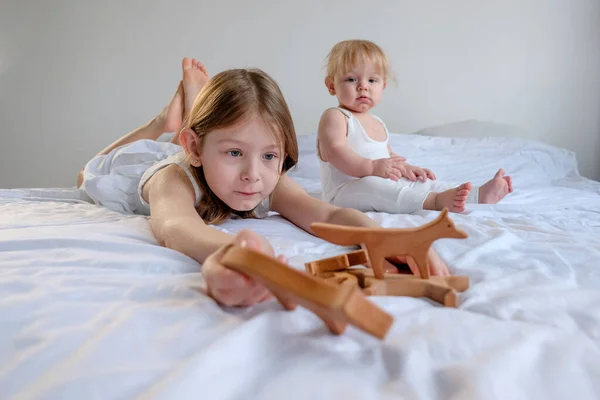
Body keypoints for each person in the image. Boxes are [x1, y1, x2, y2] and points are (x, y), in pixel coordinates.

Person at [77, 57, 451, 308]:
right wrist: (227, 254)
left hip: (194, 144)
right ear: (196, 149)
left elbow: (326, 213)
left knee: (220, 146)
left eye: (269, 156)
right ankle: (162, 122)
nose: (252, 175)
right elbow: (176, 225)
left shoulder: (266, 181)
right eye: (235, 153)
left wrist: (382, 237)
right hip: (137, 165)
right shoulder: (172, 180)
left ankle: (190, 111)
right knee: (89, 170)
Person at [317, 40, 514, 214]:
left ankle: (477, 195)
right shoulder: (336, 116)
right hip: (343, 193)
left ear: (382, 86)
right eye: (351, 79)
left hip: (376, 181)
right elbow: (335, 151)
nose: (363, 86)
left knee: (419, 182)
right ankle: (434, 202)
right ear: (331, 85)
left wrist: (405, 169)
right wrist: (372, 167)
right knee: (373, 185)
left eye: (372, 80)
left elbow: (388, 158)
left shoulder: (377, 122)